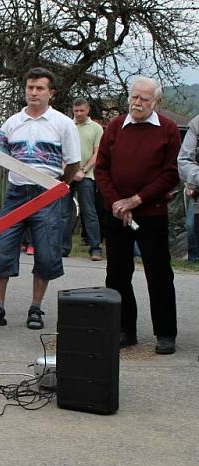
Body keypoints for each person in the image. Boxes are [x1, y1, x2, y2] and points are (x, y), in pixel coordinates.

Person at [0, 67, 80, 331]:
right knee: (2, 250)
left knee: (45, 254)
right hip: (16, 194)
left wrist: (59, 186)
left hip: (48, 194)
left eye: (40, 88)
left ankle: (35, 308)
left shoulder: (63, 124)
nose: (33, 92)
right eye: (30, 87)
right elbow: (3, 158)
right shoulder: (11, 123)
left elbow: (74, 163)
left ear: (50, 93)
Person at [95, 77, 181, 355]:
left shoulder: (167, 129)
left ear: (156, 102)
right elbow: (102, 169)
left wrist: (137, 199)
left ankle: (165, 333)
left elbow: (170, 173)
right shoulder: (115, 127)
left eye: (144, 99)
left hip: (151, 212)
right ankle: (124, 329)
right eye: (134, 97)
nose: (137, 103)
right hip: (116, 212)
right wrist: (117, 202)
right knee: (117, 273)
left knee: (159, 274)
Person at [62, 97, 104, 260]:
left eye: (82, 111)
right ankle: (63, 247)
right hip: (67, 174)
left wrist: (84, 170)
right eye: (76, 111)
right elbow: (62, 150)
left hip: (86, 175)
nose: (79, 114)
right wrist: (68, 170)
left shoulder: (96, 128)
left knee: (89, 211)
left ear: (88, 110)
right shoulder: (67, 125)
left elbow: (97, 152)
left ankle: (95, 248)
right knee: (64, 212)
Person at [178, 113, 199, 263]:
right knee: (191, 226)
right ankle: (193, 258)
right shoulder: (196, 123)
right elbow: (184, 160)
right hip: (198, 189)